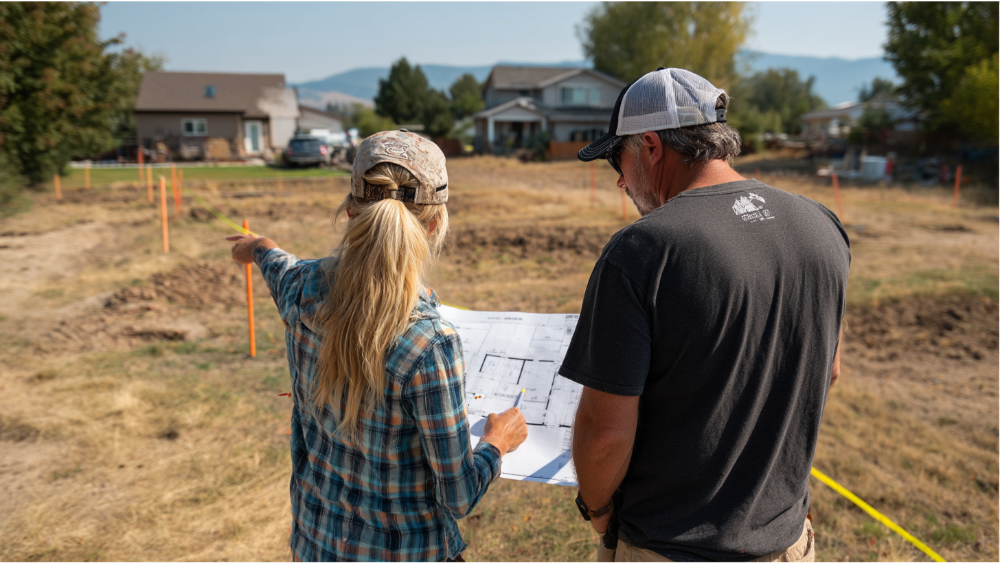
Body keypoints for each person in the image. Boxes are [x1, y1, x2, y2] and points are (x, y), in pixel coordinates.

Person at [560, 68, 850, 562]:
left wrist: (596, 505)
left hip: (672, 546)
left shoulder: (641, 250)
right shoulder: (821, 223)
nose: (618, 180)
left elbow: (605, 433)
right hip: (785, 540)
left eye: (618, 157)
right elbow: (832, 367)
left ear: (650, 146)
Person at [226, 130, 527, 562]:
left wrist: (254, 247)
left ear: (350, 211)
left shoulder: (298, 288)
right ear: (435, 224)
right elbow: (459, 496)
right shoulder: (429, 344)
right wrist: (497, 442)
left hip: (315, 546)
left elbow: (273, 258)